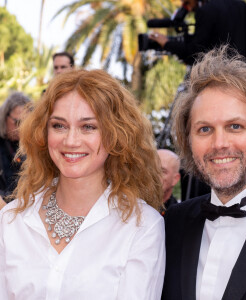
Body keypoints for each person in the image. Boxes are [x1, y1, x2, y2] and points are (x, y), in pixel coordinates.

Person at [0, 69, 165, 299]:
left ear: (115, 134)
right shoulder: (11, 220)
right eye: (59, 125)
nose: (71, 141)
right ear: (43, 132)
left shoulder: (142, 227)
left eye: (88, 126)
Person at [162, 46, 246, 299]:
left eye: (235, 126)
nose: (219, 143)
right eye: (204, 129)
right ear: (189, 143)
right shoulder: (171, 224)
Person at [149, 0, 246, 68]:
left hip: (225, 80)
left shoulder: (205, 11)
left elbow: (195, 53)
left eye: (186, 2)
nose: (186, 5)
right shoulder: (239, 4)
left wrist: (166, 43)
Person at [0, 92, 31, 199]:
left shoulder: (31, 145)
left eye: (26, 123)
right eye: (17, 122)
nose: (21, 128)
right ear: (5, 116)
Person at [157, 149, 180, 215]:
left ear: (175, 179)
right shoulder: (134, 205)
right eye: (152, 169)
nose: (154, 174)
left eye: (162, 171)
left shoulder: (178, 215)